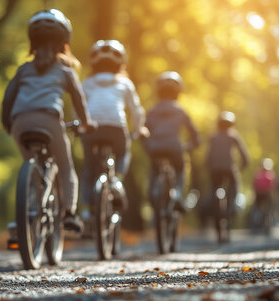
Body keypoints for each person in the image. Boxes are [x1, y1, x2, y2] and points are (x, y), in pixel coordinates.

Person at [1, 9, 94, 232]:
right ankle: (70, 213)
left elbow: (8, 98)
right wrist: (86, 122)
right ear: (64, 42)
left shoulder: (23, 69)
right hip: (50, 120)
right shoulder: (66, 70)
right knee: (65, 167)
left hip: (20, 121)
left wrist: (8, 124)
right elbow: (79, 100)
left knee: (31, 166)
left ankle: (31, 210)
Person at [80, 40, 146, 216]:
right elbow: (136, 110)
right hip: (116, 128)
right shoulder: (125, 83)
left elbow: (78, 106)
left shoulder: (87, 83)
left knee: (88, 169)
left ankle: (86, 210)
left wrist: (80, 126)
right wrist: (139, 129)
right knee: (124, 152)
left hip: (91, 128)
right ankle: (117, 180)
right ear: (120, 63)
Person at [143, 71, 200, 211]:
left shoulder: (152, 111)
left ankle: (153, 193)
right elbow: (194, 134)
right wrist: (191, 145)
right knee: (180, 168)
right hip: (175, 147)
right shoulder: (180, 110)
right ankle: (178, 194)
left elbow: (143, 132)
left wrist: (148, 146)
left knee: (154, 170)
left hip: (154, 148)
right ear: (178, 92)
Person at [206, 111, 249, 217]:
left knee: (214, 187)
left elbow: (207, 155)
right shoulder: (233, 135)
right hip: (229, 167)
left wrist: (208, 167)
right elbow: (243, 153)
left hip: (214, 169)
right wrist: (243, 165)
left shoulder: (213, 137)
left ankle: (212, 203)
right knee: (234, 184)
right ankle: (233, 204)